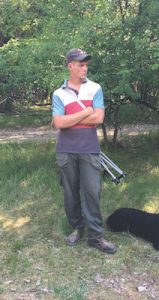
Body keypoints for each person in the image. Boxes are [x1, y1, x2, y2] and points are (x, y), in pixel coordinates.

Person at [52, 48, 116, 254]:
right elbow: (58, 122)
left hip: (89, 149)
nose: (84, 68)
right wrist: (86, 111)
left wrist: (75, 117)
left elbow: (98, 118)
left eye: (86, 64)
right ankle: (77, 229)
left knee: (92, 192)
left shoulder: (95, 88)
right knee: (70, 194)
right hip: (66, 151)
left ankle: (95, 237)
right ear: (70, 66)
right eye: (80, 64)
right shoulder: (59, 93)